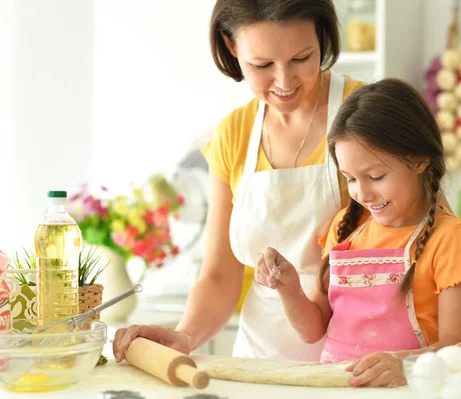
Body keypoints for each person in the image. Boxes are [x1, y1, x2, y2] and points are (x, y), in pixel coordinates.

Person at [113, 0, 369, 363]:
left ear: (322, 36)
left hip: (355, 359)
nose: (284, 82)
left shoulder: (366, 113)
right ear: (232, 47)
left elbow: (432, 236)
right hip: (257, 362)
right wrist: (183, 337)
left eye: (301, 58)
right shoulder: (234, 133)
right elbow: (220, 276)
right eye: (262, 65)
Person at [255, 79, 461, 387]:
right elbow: (312, 331)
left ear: (418, 160)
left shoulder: (449, 238)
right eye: (350, 179)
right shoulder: (345, 228)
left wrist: (404, 365)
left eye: (375, 176)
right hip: (334, 387)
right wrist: (289, 288)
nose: (361, 194)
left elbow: (458, 347)